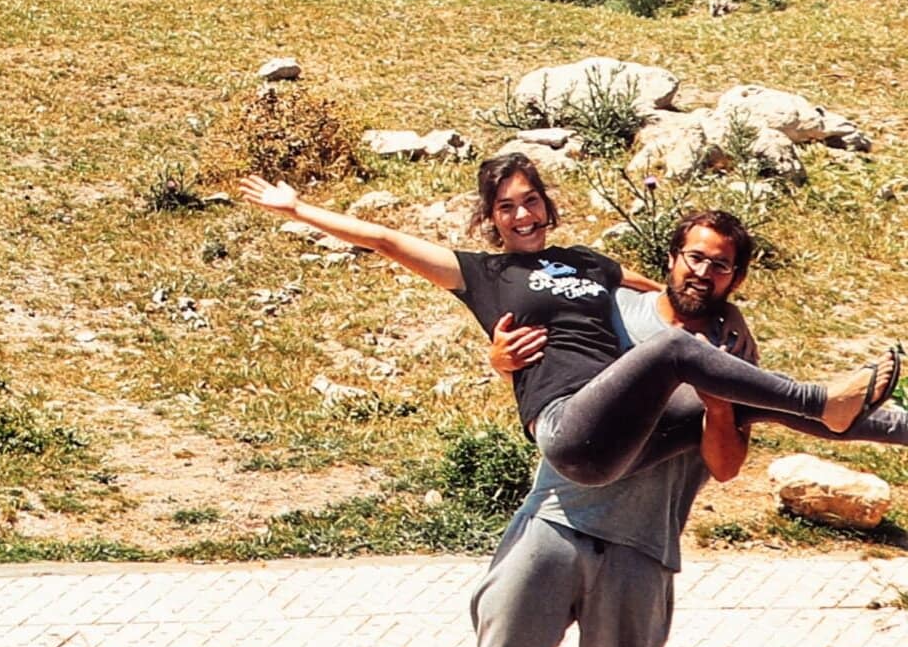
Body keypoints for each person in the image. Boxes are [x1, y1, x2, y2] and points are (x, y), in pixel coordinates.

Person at [464, 208, 908, 647]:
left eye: (720, 263)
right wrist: (498, 361)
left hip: (642, 539)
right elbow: (541, 352)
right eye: (694, 256)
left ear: (737, 275)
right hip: (558, 515)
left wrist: (723, 399)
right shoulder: (617, 308)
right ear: (671, 257)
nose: (703, 271)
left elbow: (726, 466)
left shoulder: (734, 348)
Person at [238, 152, 897, 490]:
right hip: (570, 431)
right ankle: (819, 397)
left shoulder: (591, 262)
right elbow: (384, 238)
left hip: (630, 434)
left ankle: (888, 426)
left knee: (743, 405)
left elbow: (659, 283)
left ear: (547, 206)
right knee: (674, 352)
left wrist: (716, 296)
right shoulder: (484, 274)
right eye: (505, 206)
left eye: (530, 201)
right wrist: (299, 208)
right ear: (491, 218)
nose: (521, 215)